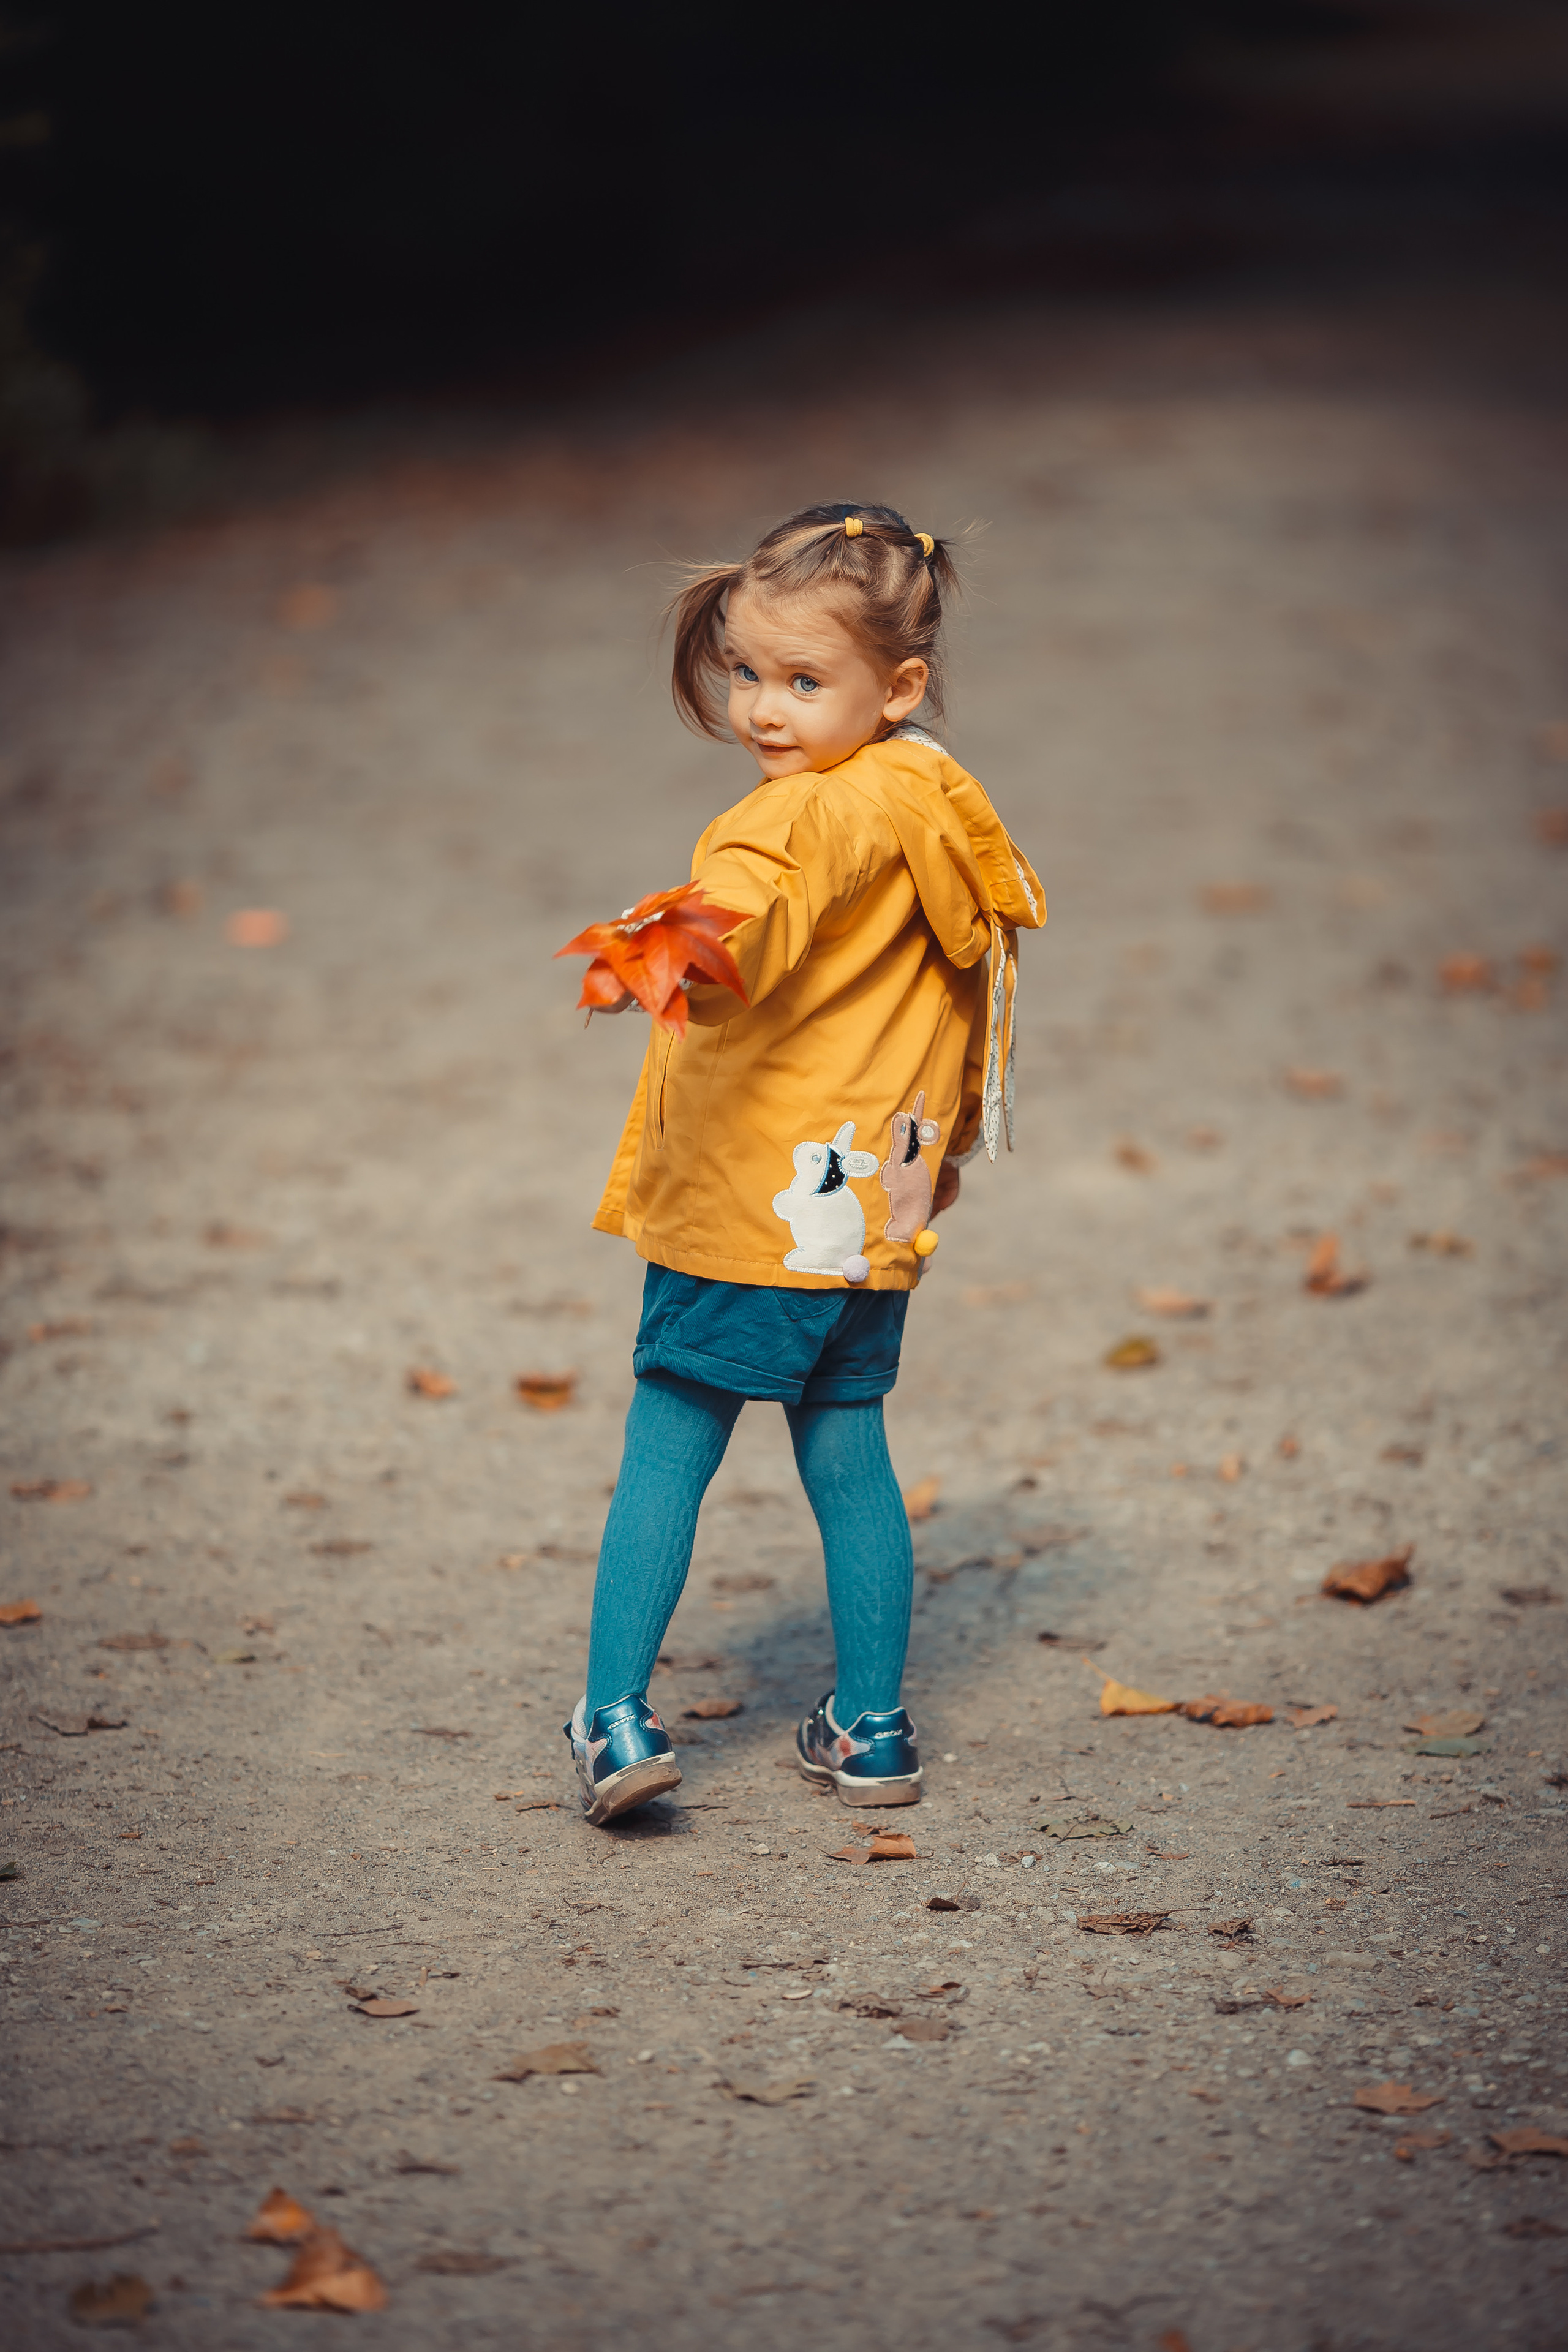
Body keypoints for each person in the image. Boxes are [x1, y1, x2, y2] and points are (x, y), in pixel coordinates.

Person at [562, 502, 1044, 1825]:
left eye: (802, 679)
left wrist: (668, 949)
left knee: (671, 1437)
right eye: (745, 671)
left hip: (751, 1198)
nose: (763, 709)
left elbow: (751, 919)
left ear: (898, 685)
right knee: (848, 1447)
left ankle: (612, 1717)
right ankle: (872, 1729)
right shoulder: (933, 802)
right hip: (867, 1201)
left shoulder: (786, 822)